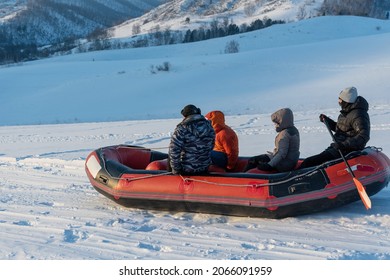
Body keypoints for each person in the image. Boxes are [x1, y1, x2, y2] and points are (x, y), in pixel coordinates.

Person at [299, 86, 370, 169]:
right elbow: (340, 128)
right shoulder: (346, 112)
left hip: (346, 150)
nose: (338, 101)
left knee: (309, 163)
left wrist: (343, 145)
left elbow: (363, 136)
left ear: (346, 100)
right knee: (311, 162)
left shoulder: (358, 115)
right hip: (337, 148)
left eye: (340, 99)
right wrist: (327, 121)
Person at [245, 108, 300, 172]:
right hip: (290, 162)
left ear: (281, 122)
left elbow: (281, 153)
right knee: (262, 158)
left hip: (283, 165)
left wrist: (269, 165)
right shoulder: (294, 130)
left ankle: (241, 178)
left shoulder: (285, 134)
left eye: (276, 123)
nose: (275, 125)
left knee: (252, 160)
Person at [168, 104, 215, 175]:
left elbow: (173, 150)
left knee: (169, 159)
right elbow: (211, 145)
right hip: (204, 167)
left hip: (187, 169)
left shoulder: (182, 128)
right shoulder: (209, 126)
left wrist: (176, 170)